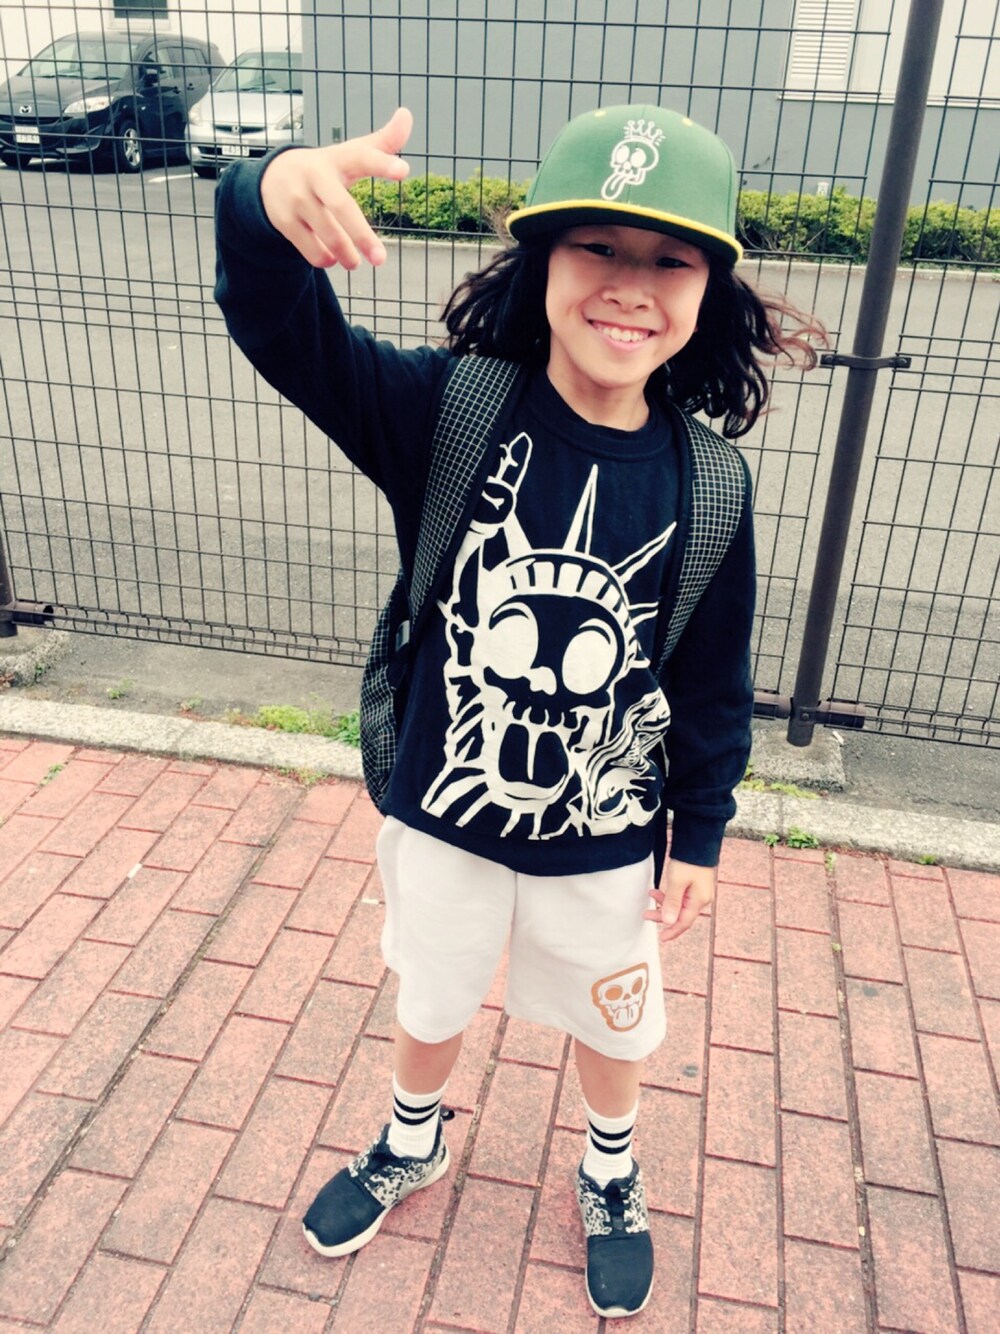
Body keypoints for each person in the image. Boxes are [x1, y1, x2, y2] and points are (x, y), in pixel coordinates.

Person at [215, 102, 823, 1319]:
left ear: (708, 291)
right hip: (443, 811)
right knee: (430, 992)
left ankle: (610, 1163)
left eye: (670, 259)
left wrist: (699, 833)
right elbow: (283, 328)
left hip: (605, 837)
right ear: (541, 261)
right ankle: (412, 1135)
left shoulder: (708, 483)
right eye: (596, 246)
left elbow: (710, 681)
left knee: (615, 1016)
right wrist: (260, 196)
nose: (629, 285)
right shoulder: (450, 410)